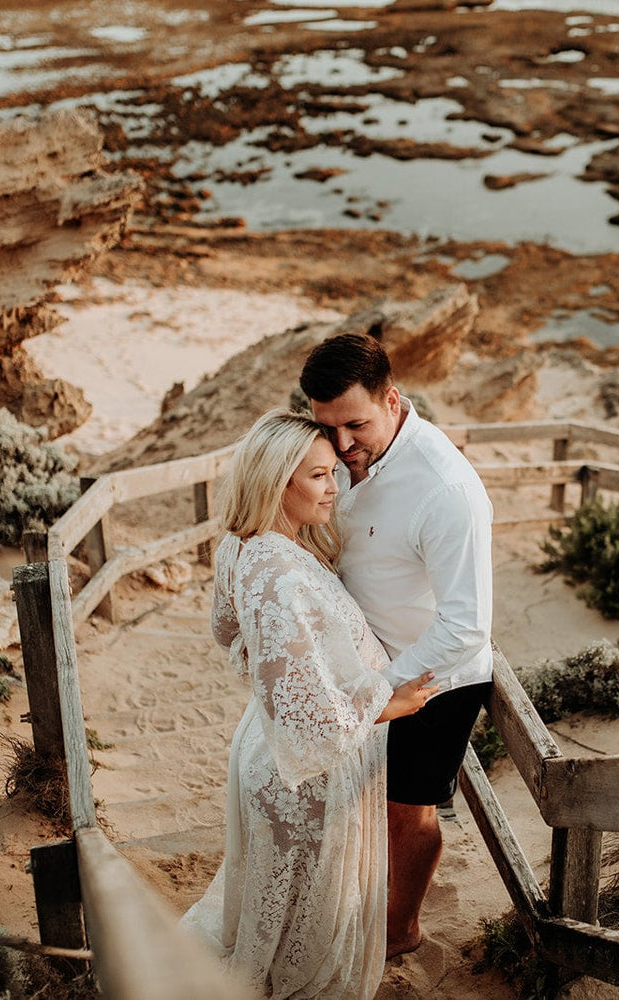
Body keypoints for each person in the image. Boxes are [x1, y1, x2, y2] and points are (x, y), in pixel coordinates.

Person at [181, 409, 440, 999]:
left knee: (274, 914)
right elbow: (306, 718)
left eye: (333, 473)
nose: (335, 487)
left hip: (267, 749)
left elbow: (229, 633)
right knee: (306, 935)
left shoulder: (241, 546)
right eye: (320, 476)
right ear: (277, 483)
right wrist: (388, 703)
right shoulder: (279, 571)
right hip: (301, 777)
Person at [299, 332, 495, 958]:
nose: (341, 444)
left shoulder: (445, 489)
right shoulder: (344, 450)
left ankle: (399, 932)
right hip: (365, 659)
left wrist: (381, 688)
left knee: (404, 810)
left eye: (354, 424)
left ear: (392, 399)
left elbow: (466, 626)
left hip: (432, 676)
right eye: (327, 428)